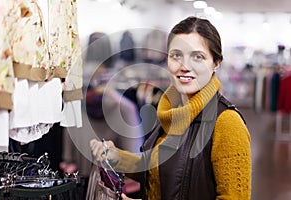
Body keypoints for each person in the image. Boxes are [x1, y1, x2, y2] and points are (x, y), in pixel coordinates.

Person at [89, 16, 251, 200]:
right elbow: (159, 170)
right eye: (176, 55)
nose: (184, 67)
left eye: (198, 57)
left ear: (215, 63)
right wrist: (116, 157)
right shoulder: (171, 111)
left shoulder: (227, 123)